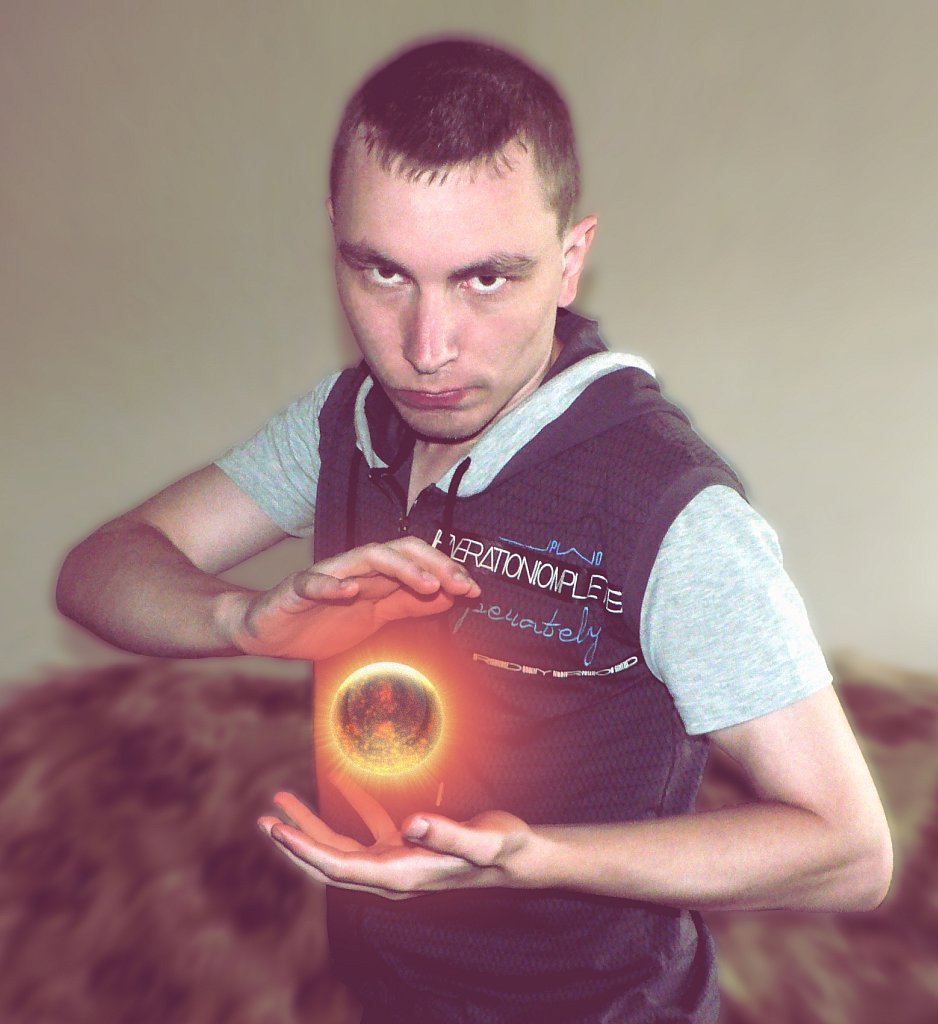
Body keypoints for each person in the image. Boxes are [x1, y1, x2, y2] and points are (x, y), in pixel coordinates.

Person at [57, 37, 892, 1024]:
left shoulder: (671, 509)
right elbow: (100, 569)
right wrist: (243, 621)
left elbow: (847, 851)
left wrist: (528, 858)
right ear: (336, 239)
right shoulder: (346, 421)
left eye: (485, 279)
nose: (426, 349)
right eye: (383, 271)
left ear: (569, 261)